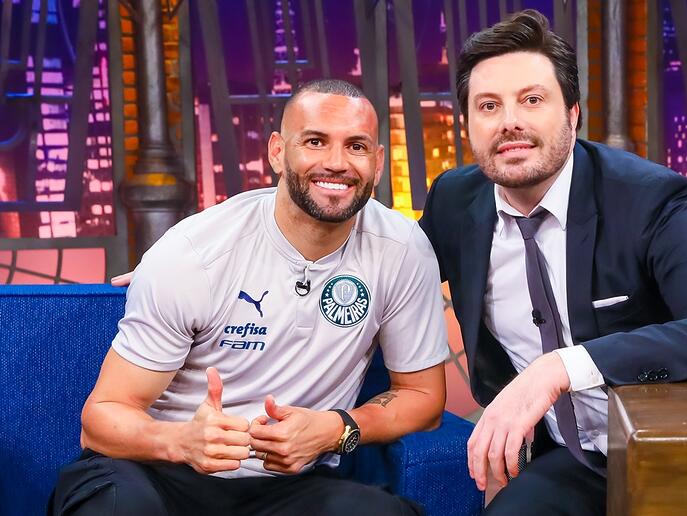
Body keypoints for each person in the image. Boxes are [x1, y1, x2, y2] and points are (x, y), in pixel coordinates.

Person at [49, 79, 449, 516]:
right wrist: (182, 441)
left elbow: (422, 397)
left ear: (376, 162)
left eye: (356, 147)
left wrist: (337, 428)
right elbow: (101, 419)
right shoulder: (195, 253)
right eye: (314, 141)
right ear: (277, 151)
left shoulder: (402, 249)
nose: (336, 163)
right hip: (157, 472)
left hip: (291, 485)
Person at [418, 10, 687, 515]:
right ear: (468, 124)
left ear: (573, 113)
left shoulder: (648, 198)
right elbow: (393, 283)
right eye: (489, 105)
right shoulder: (454, 201)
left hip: (682, 449)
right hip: (574, 462)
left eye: (532, 100)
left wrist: (559, 367)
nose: (510, 121)